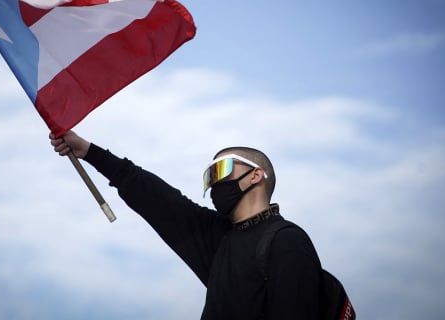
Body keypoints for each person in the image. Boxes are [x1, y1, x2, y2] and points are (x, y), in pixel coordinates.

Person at [50, 130, 321, 319]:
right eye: (208, 177)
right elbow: (155, 197)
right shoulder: (216, 238)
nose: (214, 182)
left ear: (255, 176)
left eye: (220, 169)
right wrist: (89, 152)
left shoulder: (288, 241)